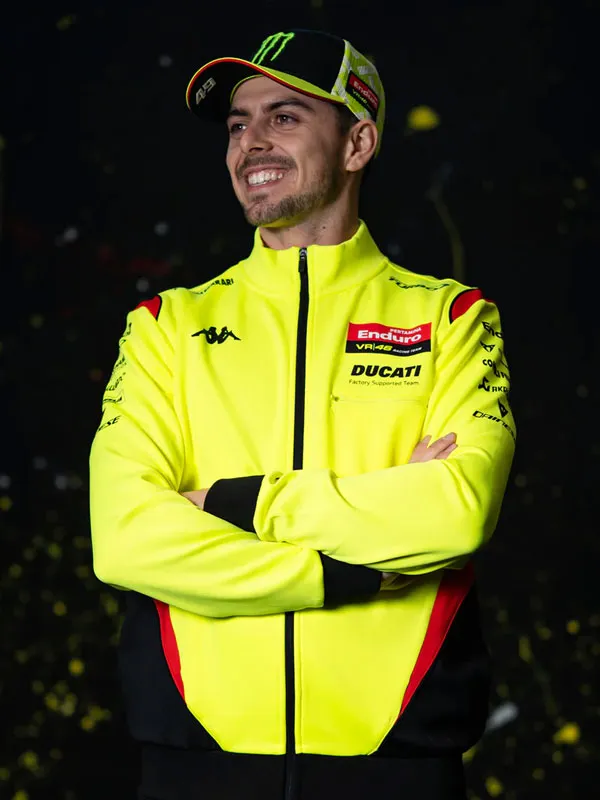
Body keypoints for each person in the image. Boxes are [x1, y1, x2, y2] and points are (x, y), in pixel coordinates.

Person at [89, 28, 516, 800]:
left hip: (397, 761)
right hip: (195, 758)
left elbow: (454, 515)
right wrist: (348, 571)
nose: (250, 142)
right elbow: (125, 540)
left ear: (357, 144)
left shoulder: (452, 319)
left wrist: (231, 504)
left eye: (283, 117)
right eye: (237, 124)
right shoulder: (164, 327)